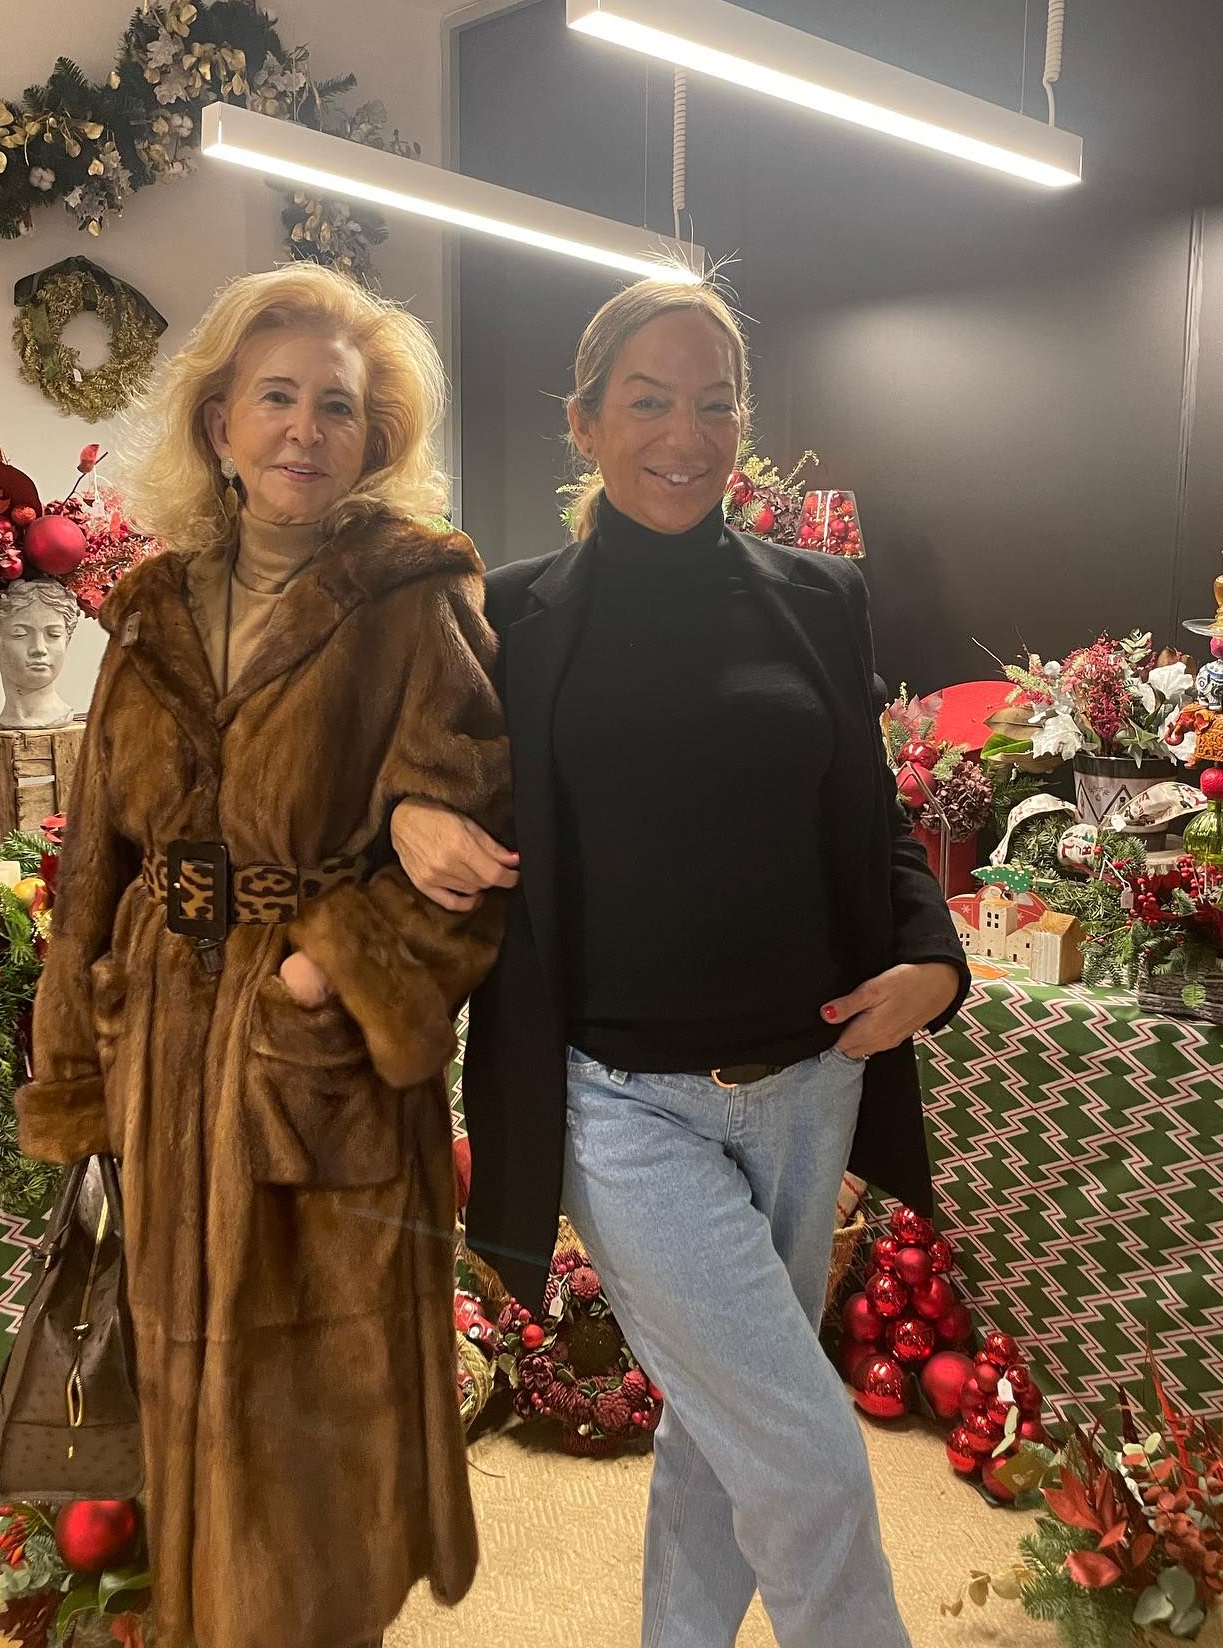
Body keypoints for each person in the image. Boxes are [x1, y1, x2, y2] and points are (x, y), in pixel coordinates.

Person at [390, 275, 969, 1648]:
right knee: (809, 1451)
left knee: (723, 1433)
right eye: (647, 401)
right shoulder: (509, 616)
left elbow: (872, 821)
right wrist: (407, 811)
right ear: (583, 423)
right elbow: (410, 780)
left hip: (812, 1077)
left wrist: (932, 959)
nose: (686, 433)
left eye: (716, 402)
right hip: (618, 1100)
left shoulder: (821, 600)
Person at [14, 264, 510, 1648]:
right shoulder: (151, 607)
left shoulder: (416, 600)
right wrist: (77, 1063)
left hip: (317, 1071)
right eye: (275, 397)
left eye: (337, 408)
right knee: (186, 1425)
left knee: (317, 1452)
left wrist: (316, 978)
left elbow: (470, 871)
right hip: (160, 1053)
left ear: (375, 438)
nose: (304, 430)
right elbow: (91, 862)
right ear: (220, 419)